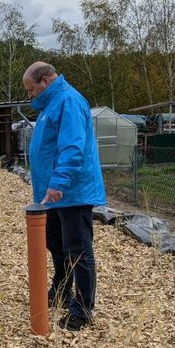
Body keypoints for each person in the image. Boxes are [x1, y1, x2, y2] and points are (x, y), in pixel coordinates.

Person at [22, 62, 106, 331]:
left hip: (72, 191)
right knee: (56, 242)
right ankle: (61, 290)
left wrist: (59, 181)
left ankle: (82, 309)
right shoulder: (52, 105)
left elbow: (72, 146)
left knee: (78, 249)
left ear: (45, 81)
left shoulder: (68, 101)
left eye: (30, 89)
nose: (29, 96)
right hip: (55, 194)